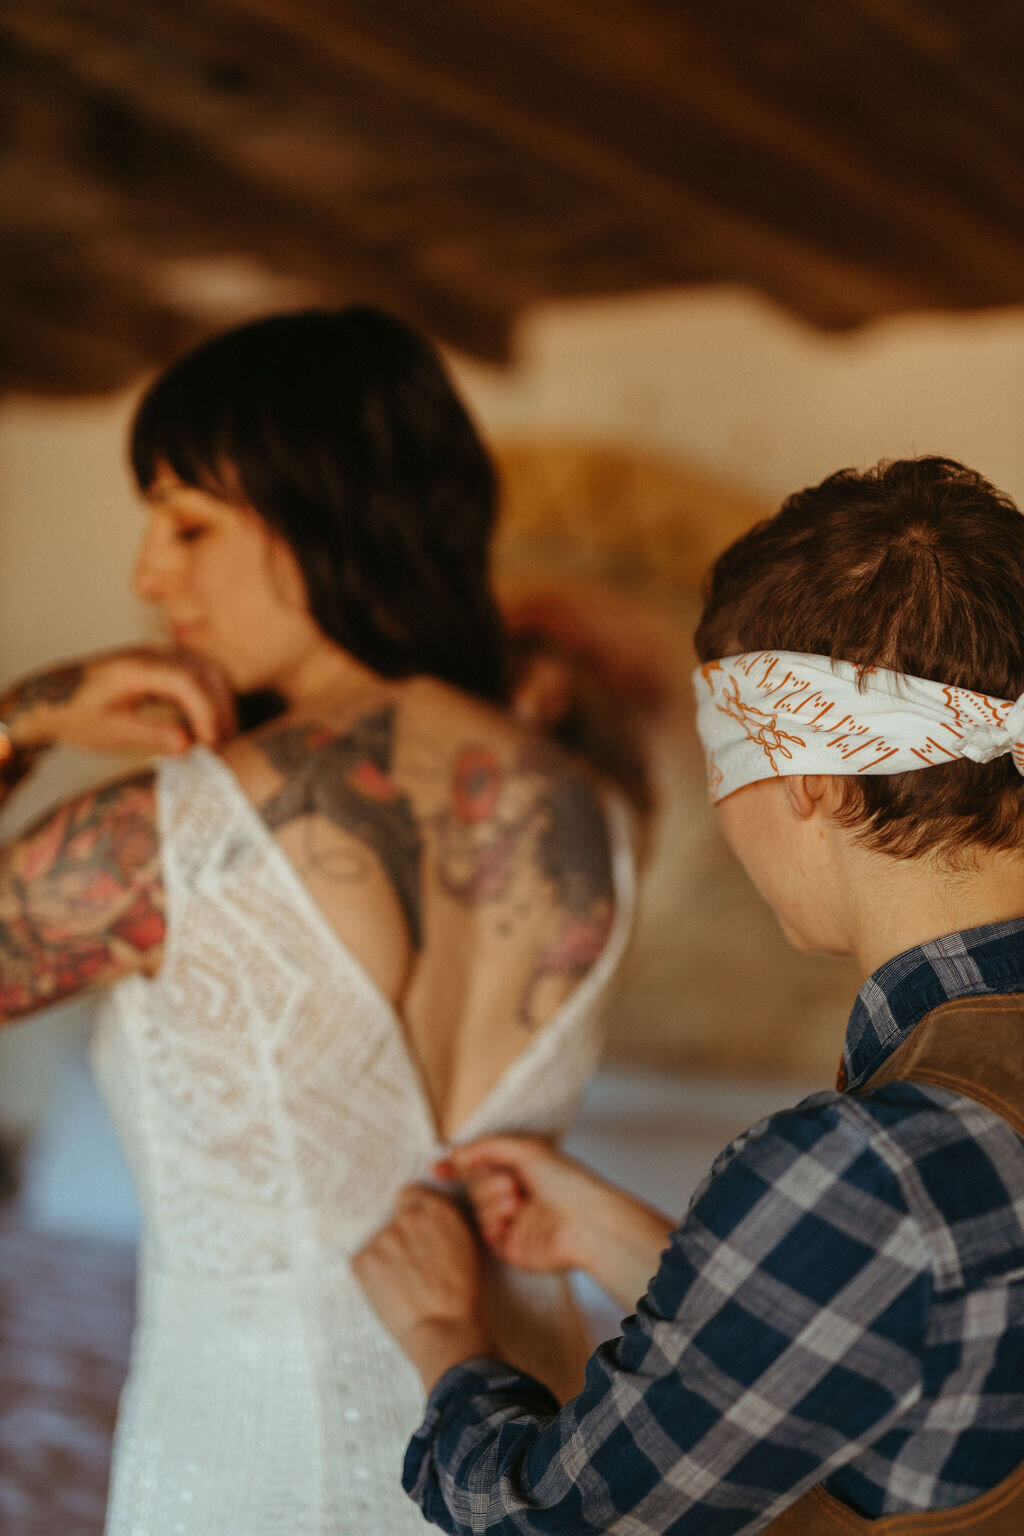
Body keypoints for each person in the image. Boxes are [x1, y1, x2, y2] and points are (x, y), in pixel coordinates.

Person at [0, 306, 638, 1535]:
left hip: (256, 1472)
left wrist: (23, 721)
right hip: (534, 1451)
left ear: (328, 512)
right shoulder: (592, 809)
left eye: (188, 523)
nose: (149, 576)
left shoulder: (178, 831)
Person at [355, 455, 1024, 1534]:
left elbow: (549, 1521)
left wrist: (445, 1336)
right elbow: (915, 1340)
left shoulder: (870, 1170)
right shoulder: (902, 1178)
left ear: (810, 777)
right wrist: (619, 1241)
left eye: (724, 764)